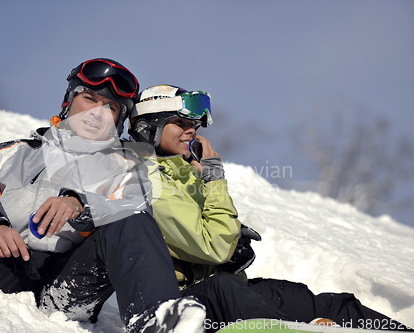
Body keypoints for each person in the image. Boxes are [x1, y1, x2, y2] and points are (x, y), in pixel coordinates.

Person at [0, 62, 206, 333]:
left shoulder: (128, 165)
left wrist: (80, 202)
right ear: (69, 100)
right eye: (89, 99)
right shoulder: (14, 152)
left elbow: (133, 202)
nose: (97, 112)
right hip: (5, 263)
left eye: (112, 107)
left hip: (69, 280)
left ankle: (157, 319)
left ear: (118, 121)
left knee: (133, 222)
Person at [128, 84, 412, 332]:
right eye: (179, 121)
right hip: (179, 307)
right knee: (231, 293)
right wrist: (214, 179)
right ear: (147, 127)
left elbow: (215, 237)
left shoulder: (189, 174)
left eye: (193, 123)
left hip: (224, 288)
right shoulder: (143, 179)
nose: (191, 129)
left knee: (326, 305)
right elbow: (213, 246)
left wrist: (232, 245)